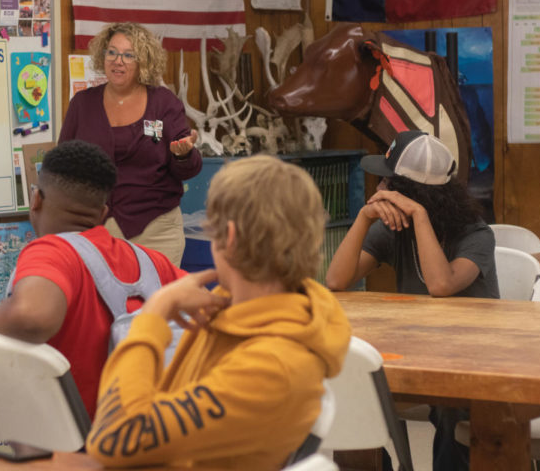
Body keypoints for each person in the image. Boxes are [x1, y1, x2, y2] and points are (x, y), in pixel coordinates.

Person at [86, 155, 351, 470]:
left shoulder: (273, 367)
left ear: (231, 238)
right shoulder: (231, 309)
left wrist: (151, 318)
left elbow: (114, 439)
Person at [326, 130, 497, 471]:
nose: (379, 189)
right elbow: (336, 280)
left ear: (409, 193)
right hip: (414, 353)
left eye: (387, 182)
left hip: (472, 363)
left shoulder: (476, 234)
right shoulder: (392, 228)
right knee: (352, 392)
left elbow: (440, 284)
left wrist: (419, 215)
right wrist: (364, 217)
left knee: (452, 409)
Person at [0, 140, 185, 418]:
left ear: (36, 199)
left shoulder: (52, 250)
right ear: (102, 214)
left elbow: (32, 315)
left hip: (69, 452)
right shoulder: (154, 263)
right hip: (148, 441)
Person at [59, 22, 201, 267]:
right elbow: (62, 164)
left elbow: (187, 169)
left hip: (157, 231)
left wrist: (182, 155)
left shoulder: (164, 104)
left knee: (156, 306)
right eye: (112, 52)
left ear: (143, 61)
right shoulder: (82, 104)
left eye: (128, 55)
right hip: (97, 231)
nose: (118, 61)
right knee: (102, 305)